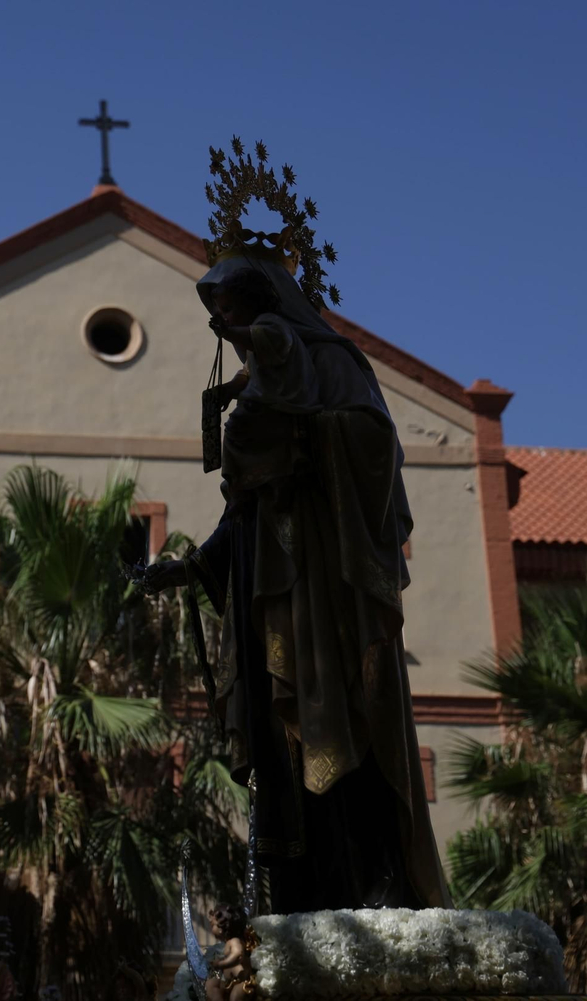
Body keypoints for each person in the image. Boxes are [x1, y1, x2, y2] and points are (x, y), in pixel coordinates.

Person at [139, 249, 452, 915]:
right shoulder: (259, 382)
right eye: (219, 323)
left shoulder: (331, 363)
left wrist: (304, 435)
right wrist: (189, 567)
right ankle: (299, 891)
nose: (225, 334)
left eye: (230, 317)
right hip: (264, 587)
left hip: (323, 590)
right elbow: (242, 509)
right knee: (279, 741)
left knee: (341, 721)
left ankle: (376, 876)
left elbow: (375, 445)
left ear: (265, 307)